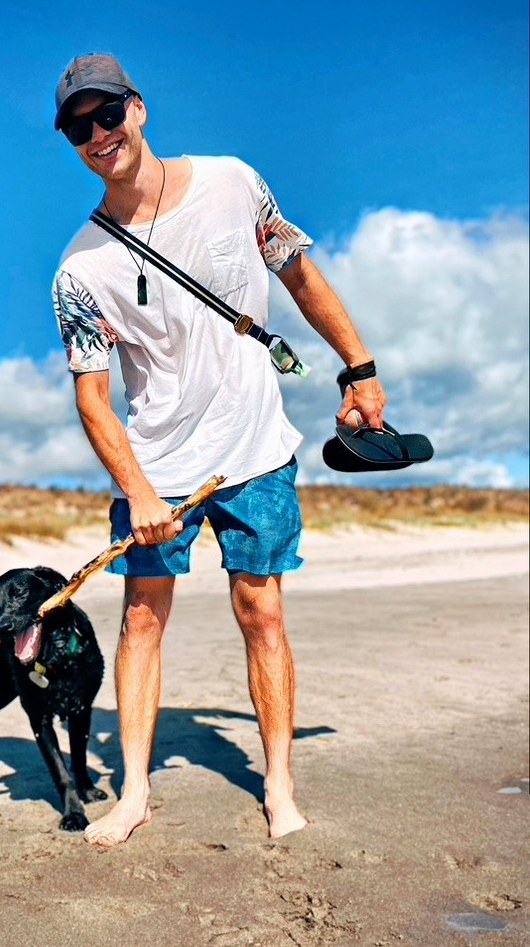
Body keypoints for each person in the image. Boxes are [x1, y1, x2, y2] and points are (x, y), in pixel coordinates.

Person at [51, 53, 386, 848]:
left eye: (107, 114)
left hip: (254, 446)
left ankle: (278, 786)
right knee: (142, 618)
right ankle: (134, 793)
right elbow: (94, 399)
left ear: (138, 109)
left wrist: (361, 368)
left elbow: (300, 278)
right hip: (159, 465)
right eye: (78, 128)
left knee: (262, 609)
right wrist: (139, 491)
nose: (98, 135)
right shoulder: (79, 270)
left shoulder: (235, 183)